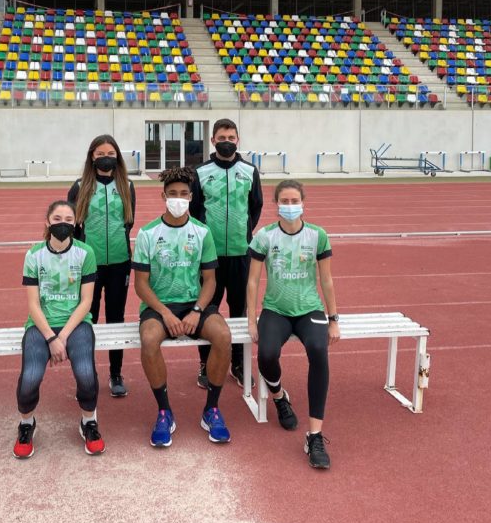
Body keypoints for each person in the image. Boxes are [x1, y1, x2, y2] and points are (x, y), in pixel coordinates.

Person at [133, 166, 232, 447]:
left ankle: (211, 409)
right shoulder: (148, 233)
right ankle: (164, 411)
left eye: (184, 194)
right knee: (149, 338)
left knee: (223, 336)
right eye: (173, 194)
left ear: (191, 197)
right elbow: (141, 284)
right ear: (163, 195)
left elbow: (211, 281)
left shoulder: (202, 232)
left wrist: (197, 311)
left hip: (194, 304)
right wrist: (165, 313)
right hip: (159, 307)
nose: (178, 199)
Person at [247, 179, 340, 469]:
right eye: (284, 202)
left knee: (317, 348)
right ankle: (278, 395)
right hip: (276, 309)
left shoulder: (317, 235)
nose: (289, 206)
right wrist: (252, 320)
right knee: (266, 354)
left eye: (293, 201)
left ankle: (314, 435)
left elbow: (326, 279)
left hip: (309, 309)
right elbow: (252, 281)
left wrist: (333, 319)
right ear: (276, 204)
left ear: (303, 203)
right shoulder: (264, 237)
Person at [13, 200, 105, 458]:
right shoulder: (34, 255)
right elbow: (33, 304)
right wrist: (50, 337)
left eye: (68, 220)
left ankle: (89, 422)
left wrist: (62, 337)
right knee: (30, 378)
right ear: (47, 222)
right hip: (41, 325)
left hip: (75, 325)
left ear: (75, 223)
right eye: (57, 219)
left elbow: (86, 301)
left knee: (86, 374)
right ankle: (26, 424)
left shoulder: (86, 253)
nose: (62, 224)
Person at [190, 118, 263, 389]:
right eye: (222, 137)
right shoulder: (201, 172)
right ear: (213, 140)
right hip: (210, 258)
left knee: (240, 311)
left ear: (238, 140)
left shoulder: (249, 171)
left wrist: (242, 234)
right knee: (207, 310)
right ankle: (205, 364)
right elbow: (195, 211)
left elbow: (255, 207)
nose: (227, 141)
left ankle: (238, 363)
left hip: (241, 254)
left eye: (232, 137)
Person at [68, 135, 136, 398]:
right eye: (100, 153)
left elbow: (128, 222)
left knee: (116, 318)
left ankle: (116, 373)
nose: (105, 157)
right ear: (92, 157)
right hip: (89, 267)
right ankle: (87, 374)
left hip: (120, 264)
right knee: (88, 319)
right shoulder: (79, 186)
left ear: (117, 156)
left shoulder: (127, 186)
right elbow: (73, 227)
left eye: (110, 152)